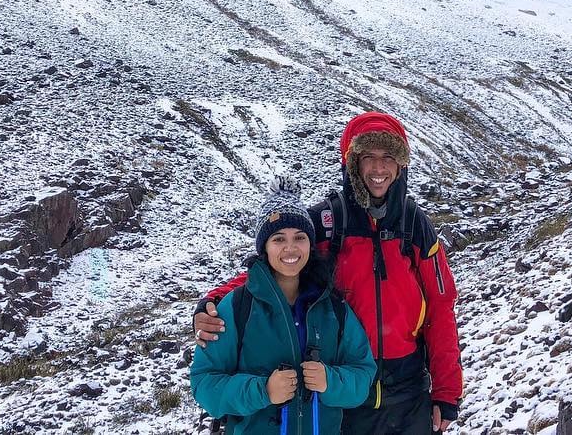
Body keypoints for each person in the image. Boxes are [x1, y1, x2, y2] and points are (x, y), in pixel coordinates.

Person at [195, 112, 462, 434]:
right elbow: (280, 263)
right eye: (368, 157)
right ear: (351, 163)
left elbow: (440, 306)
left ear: (400, 164)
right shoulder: (325, 222)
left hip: (408, 391)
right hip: (339, 388)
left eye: (388, 157)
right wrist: (215, 300)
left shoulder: (414, 224)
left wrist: (446, 392)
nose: (378, 169)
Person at [190, 175, 376, 434]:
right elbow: (204, 384)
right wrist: (263, 391)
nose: (290, 248)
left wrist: (330, 382)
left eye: (299, 237)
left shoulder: (334, 309)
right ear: (264, 247)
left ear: (310, 243)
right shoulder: (236, 308)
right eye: (278, 239)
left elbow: (363, 373)